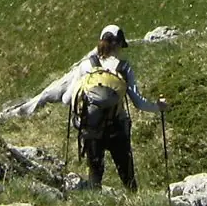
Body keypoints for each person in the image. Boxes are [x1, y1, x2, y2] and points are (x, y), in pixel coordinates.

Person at [14, 25, 168, 191]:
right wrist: (157, 106)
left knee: (95, 175)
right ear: (118, 45)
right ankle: (136, 203)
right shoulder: (124, 68)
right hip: (117, 127)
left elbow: (66, 99)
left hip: (91, 127)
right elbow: (138, 102)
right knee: (127, 175)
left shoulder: (87, 66)